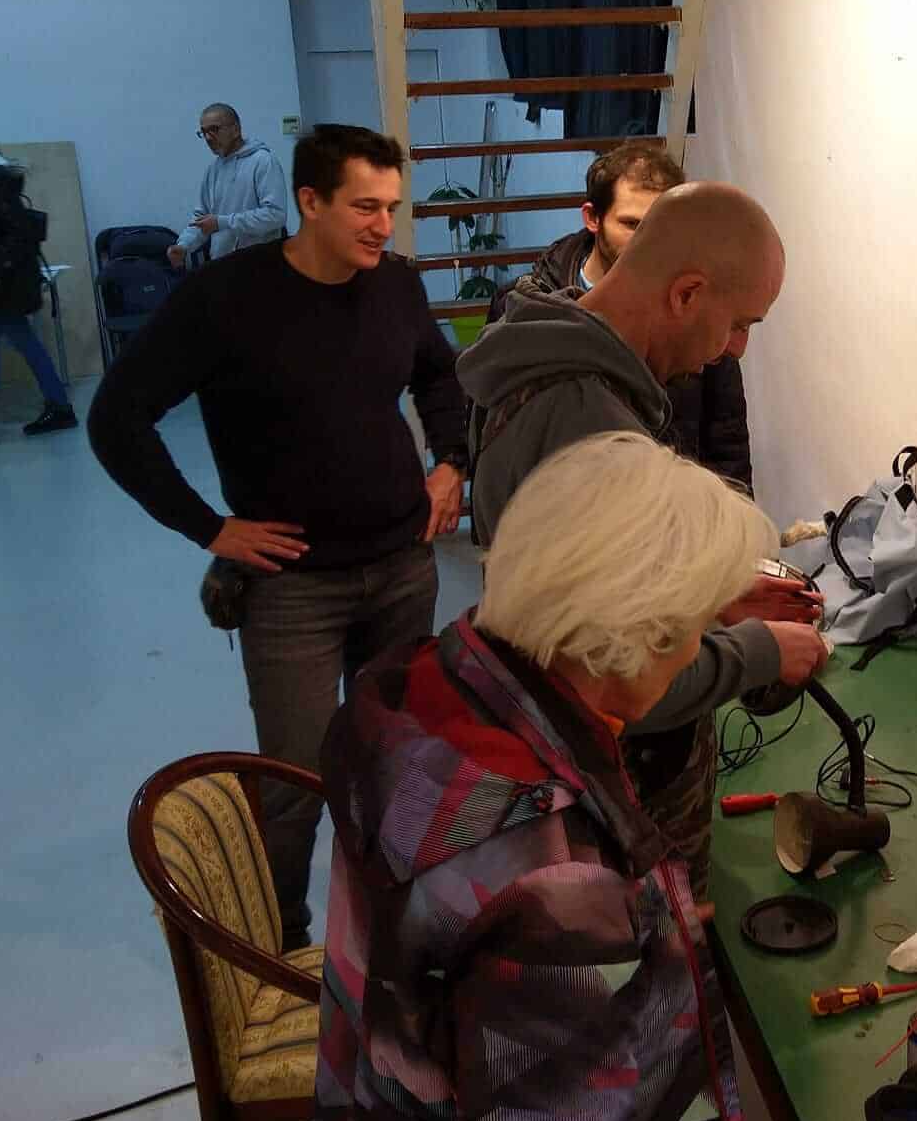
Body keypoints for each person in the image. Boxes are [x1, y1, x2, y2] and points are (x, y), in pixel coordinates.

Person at [308, 432, 770, 1121]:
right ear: (629, 637)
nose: (698, 649)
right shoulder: (555, 882)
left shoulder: (417, 687)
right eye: (691, 628)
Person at [89, 124, 469, 946]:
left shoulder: (396, 286)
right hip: (293, 589)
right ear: (309, 201)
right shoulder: (224, 298)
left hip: (403, 569)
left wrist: (452, 462)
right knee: (294, 783)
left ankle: (390, 932)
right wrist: (209, 528)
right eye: (364, 207)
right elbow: (116, 418)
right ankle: (282, 947)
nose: (384, 226)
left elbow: (440, 377)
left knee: (396, 760)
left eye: (392, 207)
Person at [458, 180, 824, 893]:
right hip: (612, 810)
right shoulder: (588, 424)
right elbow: (621, 676)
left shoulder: (556, 355)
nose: (737, 349)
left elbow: (585, 604)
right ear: (687, 294)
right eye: (739, 323)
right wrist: (762, 651)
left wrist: (706, 593)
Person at [497, 142, 754, 490]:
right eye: (632, 224)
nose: (647, 242)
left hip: (675, 511)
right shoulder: (528, 310)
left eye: (661, 226)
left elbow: (728, 444)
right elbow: (500, 443)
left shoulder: (698, 311)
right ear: (592, 218)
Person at [0, 118, 77, 442]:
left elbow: (13, 235)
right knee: (10, 343)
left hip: (3, 284)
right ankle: (58, 406)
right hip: (4, 281)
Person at [167, 102, 287, 268]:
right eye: (203, 132)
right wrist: (183, 245)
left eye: (214, 129)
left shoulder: (263, 161)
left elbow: (275, 215)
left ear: (235, 129)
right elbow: (202, 218)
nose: (208, 138)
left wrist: (222, 222)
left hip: (260, 265)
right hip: (222, 265)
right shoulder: (213, 170)